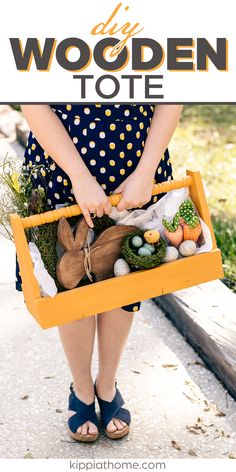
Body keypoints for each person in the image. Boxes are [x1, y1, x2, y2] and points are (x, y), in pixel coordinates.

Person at [18, 103, 183, 442]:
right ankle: (82, 389)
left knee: (124, 277)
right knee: (72, 283)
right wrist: (79, 177)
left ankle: (107, 384)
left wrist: (146, 170)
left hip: (135, 162)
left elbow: (171, 90)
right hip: (62, 165)